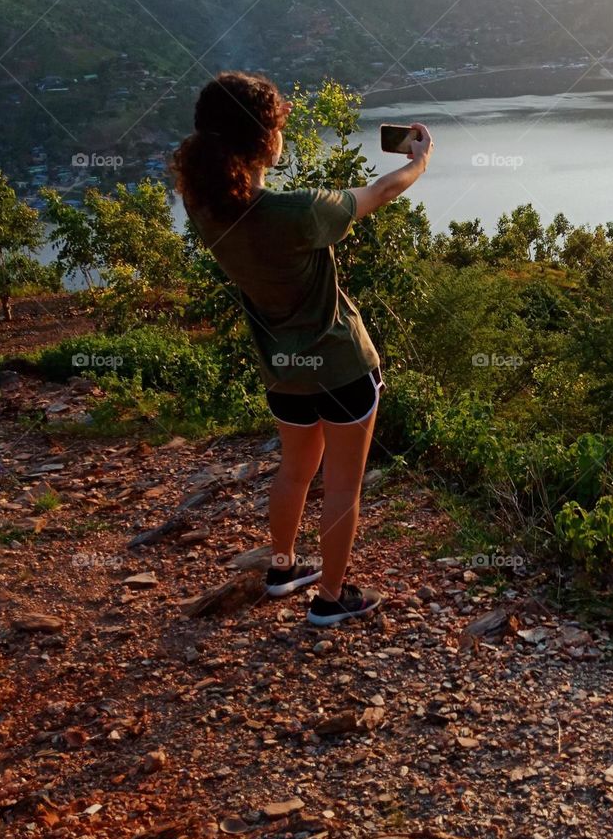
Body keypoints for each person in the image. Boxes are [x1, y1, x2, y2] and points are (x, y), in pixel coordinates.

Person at [172, 71, 433, 626]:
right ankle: (333, 599)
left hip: (283, 370)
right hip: (341, 366)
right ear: (267, 140)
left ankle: (284, 568)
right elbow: (382, 192)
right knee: (342, 486)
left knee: (294, 471)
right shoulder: (298, 213)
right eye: (278, 125)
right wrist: (419, 160)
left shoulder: (201, 202)